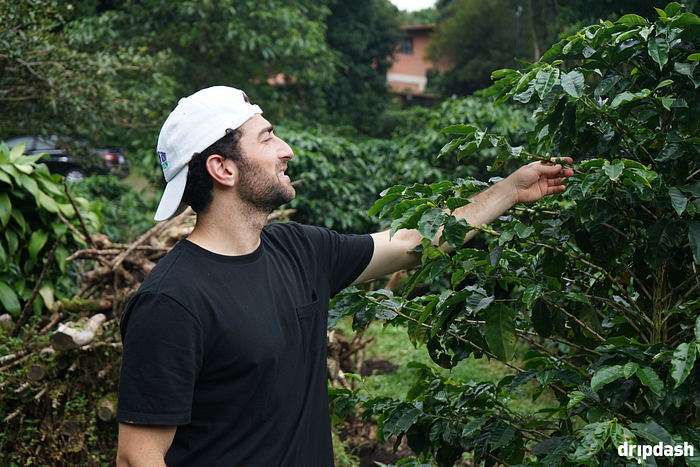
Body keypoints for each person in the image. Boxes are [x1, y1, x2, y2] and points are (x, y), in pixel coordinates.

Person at [115, 86, 573, 467]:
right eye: (267, 137)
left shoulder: (298, 249)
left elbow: (413, 243)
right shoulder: (173, 301)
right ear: (223, 168)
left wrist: (510, 190)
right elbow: (139, 457)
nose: (286, 149)